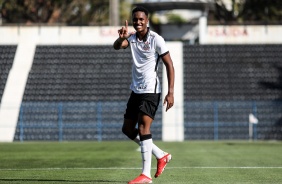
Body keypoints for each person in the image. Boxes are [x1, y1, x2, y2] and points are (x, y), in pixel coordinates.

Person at [113, 6, 175, 184]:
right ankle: (160, 155)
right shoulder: (131, 38)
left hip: (151, 91)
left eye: (141, 19)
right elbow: (117, 46)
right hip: (136, 91)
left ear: (147, 21)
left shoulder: (156, 39)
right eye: (135, 19)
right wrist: (120, 38)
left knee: (143, 128)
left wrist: (170, 93)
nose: (138, 22)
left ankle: (145, 175)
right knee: (127, 129)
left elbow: (170, 65)